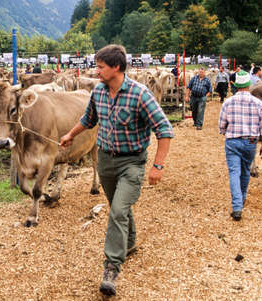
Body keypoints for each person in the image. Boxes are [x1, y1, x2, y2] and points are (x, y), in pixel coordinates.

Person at [60, 44, 174, 297]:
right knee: (118, 208)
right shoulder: (99, 91)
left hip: (132, 162)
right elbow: (88, 119)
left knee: (118, 211)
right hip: (106, 161)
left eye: (100, 67)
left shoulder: (140, 94)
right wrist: (70, 134)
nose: (96, 71)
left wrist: (158, 165)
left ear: (116, 68)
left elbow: (164, 130)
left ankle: (111, 268)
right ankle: (129, 243)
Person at [219, 70, 262, 221]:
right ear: (249, 85)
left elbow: (222, 126)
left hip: (233, 141)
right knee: (246, 170)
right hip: (250, 141)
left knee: (234, 172)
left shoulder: (228, 102)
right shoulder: (258, 103)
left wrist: (225, 131)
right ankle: (242, 198)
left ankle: (237, 207)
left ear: (235, 85)